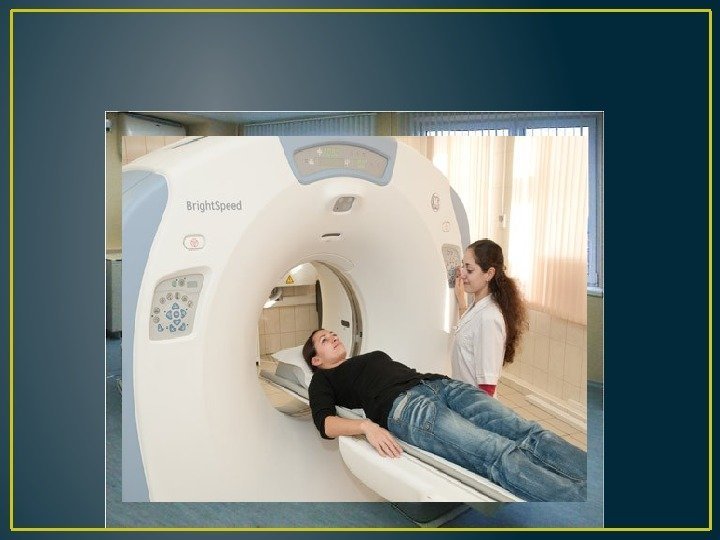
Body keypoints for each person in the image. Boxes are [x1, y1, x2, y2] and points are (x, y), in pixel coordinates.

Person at [303, 329, 586, 502]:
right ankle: (578, 505)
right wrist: (367, 426)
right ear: (316, 360)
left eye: (333, 334)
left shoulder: (363, 359)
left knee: (526, 430)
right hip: (406, 407)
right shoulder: (322, 380)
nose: (334, 337)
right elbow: (325, 423)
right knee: (496, 450)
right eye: (324, 340)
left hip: (441, 385)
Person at [453, 239, 527, 397]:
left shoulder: (489, 318)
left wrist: (477, 412)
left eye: (469, 270)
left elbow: (487, 387)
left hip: (473, 406)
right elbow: (471, 332)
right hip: (462, 400)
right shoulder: (478, 307)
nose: (462, 273)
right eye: (463, 266)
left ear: (489, 274)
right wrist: (461, 302)